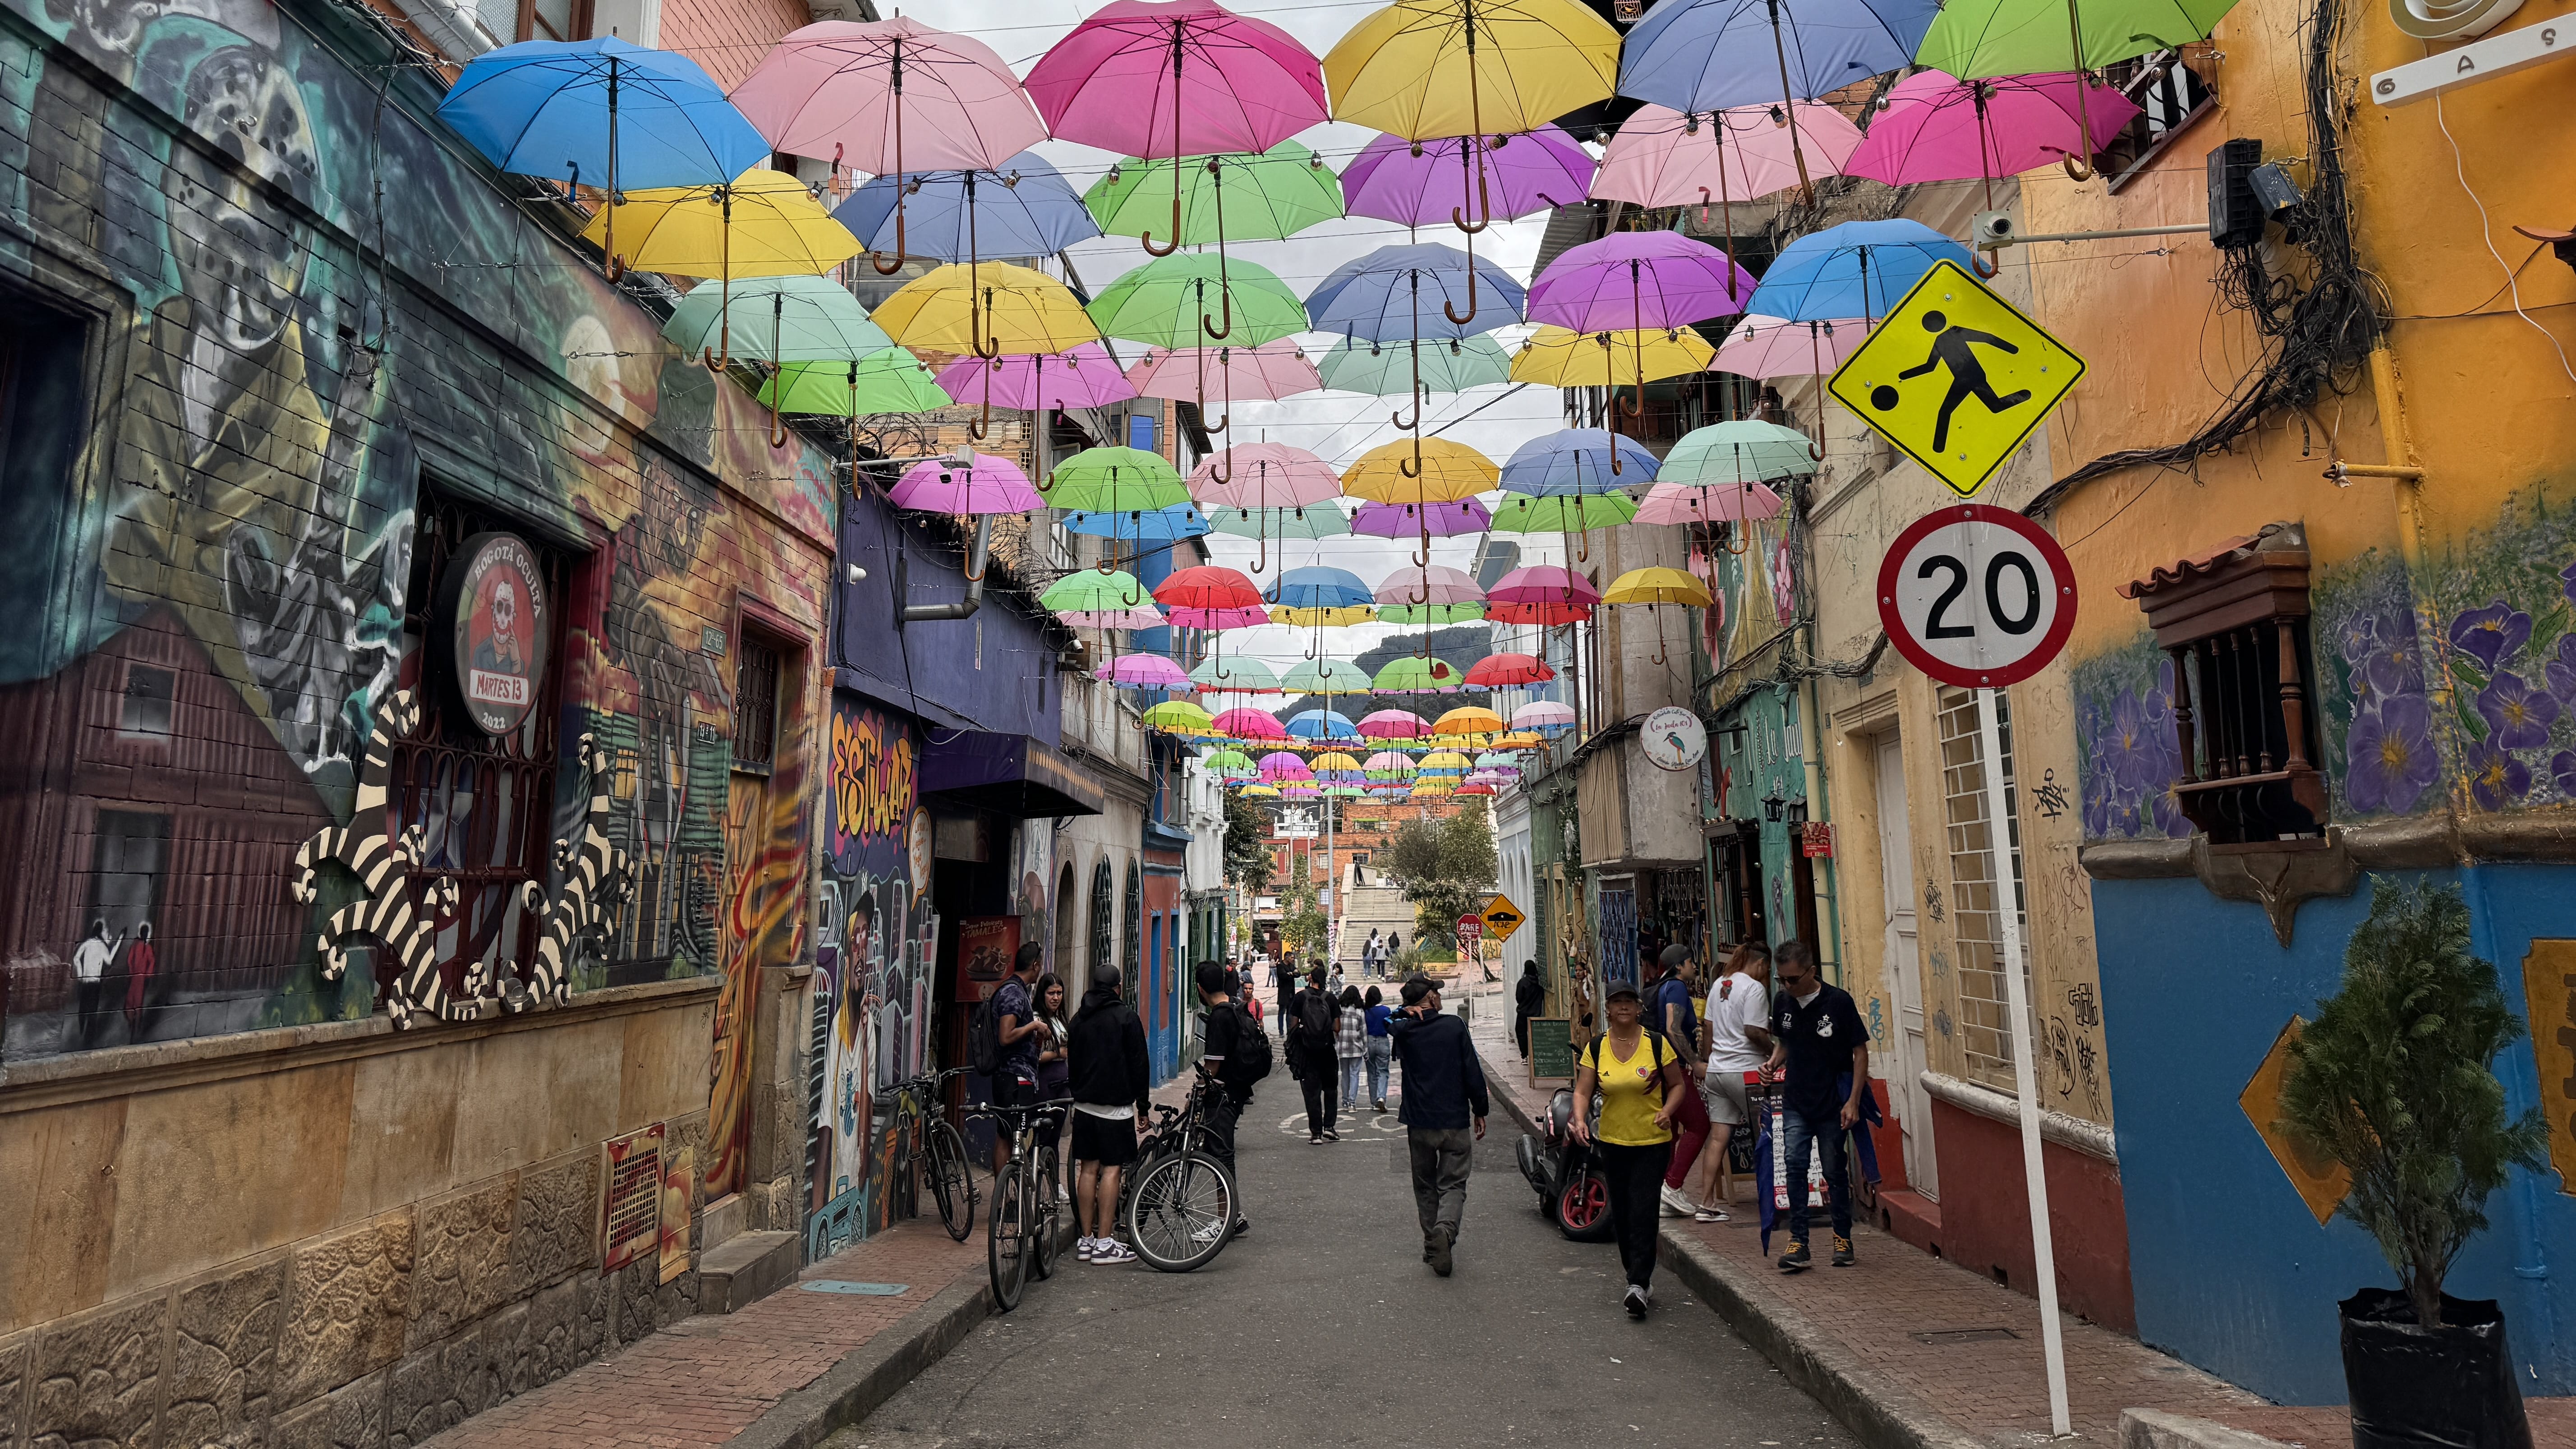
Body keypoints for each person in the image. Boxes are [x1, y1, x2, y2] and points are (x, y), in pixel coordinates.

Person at [1569, 981, 1688, 1317]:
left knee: (1643, 1210)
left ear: (1639, 1008)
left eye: (1629, 1001)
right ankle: (1635, 1274)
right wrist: (1579, 1119)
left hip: (1652, 1143)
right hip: (1613, 1142)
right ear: (1607, 1009)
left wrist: (1668, 1111)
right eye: (1616, 1002)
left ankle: (1638, 1281)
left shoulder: (1656, 1044)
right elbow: (1582, 1090)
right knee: (1621, 1213)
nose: (1623, 1007)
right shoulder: (1597, 1046)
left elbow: (1677, 1085)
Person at [1764, 938, 1869, 1271]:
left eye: (1793, 979)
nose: (1786, 986)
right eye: (1781, 979)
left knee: (1833, 1169)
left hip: (1832, 1101)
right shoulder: (1783, 1002)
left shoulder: (1838, 1002)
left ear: (1811, 971)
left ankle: (1842, 1236)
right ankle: (1799, 1241)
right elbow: (1786, 1043)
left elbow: (1860, 1052)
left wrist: (1853, 1100)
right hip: (1796, 1098)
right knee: (1794, 1165)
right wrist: (1772, 1062)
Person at [1386, 974, 1487, 1277]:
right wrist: (1479, 1109)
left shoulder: (1405, 1029)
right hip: (1454, 1121)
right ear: (1430, 998)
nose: (1441, 997)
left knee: (1426, 1185)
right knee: (1454, 1183)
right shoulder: (1454, 1026)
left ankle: (1433, 1242)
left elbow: (1381, 1020)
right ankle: (1443, 1233)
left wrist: (1403, 1012)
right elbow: (1472, 1070)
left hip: (1420, 1123)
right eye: (1437, 993)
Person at [1686, 941, 1774, 1221]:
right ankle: (1772, 1201)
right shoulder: (1754, 989)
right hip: (1747, 1072)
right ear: (1760, 964)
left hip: (1718, 1072)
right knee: (1767, 1136)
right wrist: (1774, 1051)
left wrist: (1708, 1060)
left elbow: (1708, 1027)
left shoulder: (1719, 985)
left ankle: (1706, 1203)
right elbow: (1754, 1031)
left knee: (1718, 1138)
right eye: (1767, 969)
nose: (1767, 974)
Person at [1067, 964, 1149, 1265]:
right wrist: (1143, 1106)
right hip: (1114, 1109)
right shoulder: (1126, 1017)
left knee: (1088, 1169)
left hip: (1084, 1106)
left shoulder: (1078, 1020)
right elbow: (1140, 1063)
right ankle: (1105, 1242)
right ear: (1118, 986)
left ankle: (1086, 1240)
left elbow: (1071, 1062)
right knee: (1112, 1169)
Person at [1650, 945, 1716, 1219]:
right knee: (1700, 1125)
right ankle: (1673, 1185)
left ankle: (1665, 1194)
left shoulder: (1660, 988)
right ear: (1679, 966)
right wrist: (1695, 1062)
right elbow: (1673, 1028)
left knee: (1670, 1131)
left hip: (1659, 1069)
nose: (1694, 967)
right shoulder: (1676, 988)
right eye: (1690, 962)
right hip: (1673, 1069)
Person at [1191, 961, 1255, 1239]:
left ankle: (1228, 1217)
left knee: (1221, 1156)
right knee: (1221, 1154)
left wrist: (1201, 1084)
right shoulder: (1237, 1006)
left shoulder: (1219, 1016)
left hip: (1223, 1097)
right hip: (1238, 1092)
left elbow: (1213, 1065)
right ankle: (1231, 1215)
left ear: (1200, 989)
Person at [990, 942, 1045, 1171]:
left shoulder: (1019, 990)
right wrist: (1034, 1026)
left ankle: (1007, 1193)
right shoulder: (1013, 992)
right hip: (1014, 1077)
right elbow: (1006, 1035)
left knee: (1008, 1135)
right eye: (1040, 965)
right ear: (1035, 965)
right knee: (1008, 1136)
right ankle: (1003, 1195)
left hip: (1016, 1075)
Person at [1288, 965, 1340, 1142]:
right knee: (1331, 1090)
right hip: (1327, 1051)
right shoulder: (1331, 999)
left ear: (1311, 978)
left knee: (1312, 1093)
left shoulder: (1301, 997)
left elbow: (1293, 1025)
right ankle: (1330, 1127)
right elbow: (1337, 1027)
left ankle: (1316, 1133)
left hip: (1307, 1052)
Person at [1031, 972, 1073, 1192]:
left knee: (1054, 1138)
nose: (1056, 998)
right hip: (1045, 1086)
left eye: (1059, 993)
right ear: (1042, 994)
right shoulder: (1036, 1020)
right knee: (1044, 1136)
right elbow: (1035, 1057)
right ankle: (1031, 1181)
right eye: (1051, 993)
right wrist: (1059, 1053)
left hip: (1062, 1087)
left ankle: (1054, 1185)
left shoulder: (1061, 1019)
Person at [68, 920, 122, 1050]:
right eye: (105, 931)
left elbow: (76, 959)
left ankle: (81, 1033)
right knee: (92, 1012)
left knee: (83, 1009)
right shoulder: (102, 946)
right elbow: (109, 961)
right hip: (95, 983)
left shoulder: (87, 943)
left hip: (85, 982)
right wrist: (118, 943)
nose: (107, 934)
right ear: (101, 931)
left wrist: (81, 974)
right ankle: (88, 1040)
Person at [1334, 984, 1367, 1116]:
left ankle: (1345, 1100)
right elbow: (1364, 1031)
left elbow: (1335, 1028)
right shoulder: (1359, 1011)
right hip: (1356, 1047)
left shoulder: (1339, 1010)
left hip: (1342, 1046)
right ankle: (1353, 1103)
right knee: (1354, 1074)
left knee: (1345, 1075)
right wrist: (1366, 1049)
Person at [1362, 984, 1395, 1112]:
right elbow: (1391, 1025)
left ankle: (1374, 1101)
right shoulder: (1386, 1010)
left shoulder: (1366, 1011)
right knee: (1383, 1071)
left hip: (1369, 1041)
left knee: (1371, 1072)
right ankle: (1381, 1097)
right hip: (1383, 1041)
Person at [1513, 959, 1546, 1059]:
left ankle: (1525, 1056)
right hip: (1536, 1013)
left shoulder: (1523, 982)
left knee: (1521, 1033)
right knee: (1535, 1035)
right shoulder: (1540, 983)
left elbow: (1519, 998)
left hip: (1523, 1013)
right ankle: (1537, 1055)